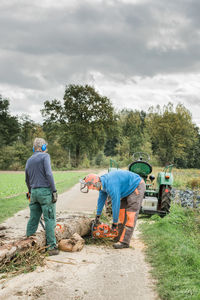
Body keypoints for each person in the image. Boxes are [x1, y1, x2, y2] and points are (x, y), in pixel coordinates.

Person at [80, 170, 145, 249]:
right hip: (127, 189)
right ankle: (118, 236)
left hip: (136, 186)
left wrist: (114, 223)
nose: (94, 189)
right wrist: (98, 216)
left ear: (96, 183)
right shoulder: (102, 184)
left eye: (93, 188)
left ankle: (125, 242)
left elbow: (115, 204)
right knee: (121, 214)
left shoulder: (111, 185)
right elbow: (101, 200)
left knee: (130, 215)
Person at [25, 138, 59, 256]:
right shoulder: (45, 156)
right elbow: (49, 173)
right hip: (45, 192)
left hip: (33, 192)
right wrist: (54, 190)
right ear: (43, 147)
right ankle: (51, 247)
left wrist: (30, 191)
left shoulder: (29, 160)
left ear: (34, 148)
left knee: (33, 218)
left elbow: (27, 178)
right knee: (49, 218)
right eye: (46, 147)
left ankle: (27, 244)